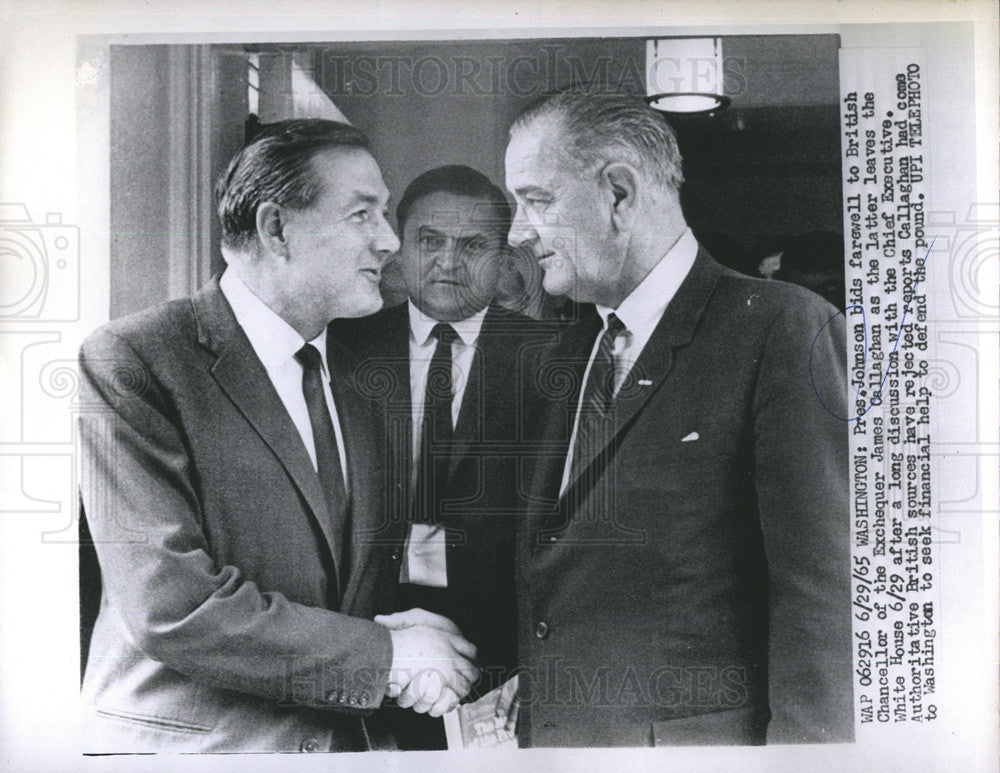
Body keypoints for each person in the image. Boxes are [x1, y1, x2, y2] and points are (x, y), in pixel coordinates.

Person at [77, 120, 478, 753]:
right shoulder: (136, 361)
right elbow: (172, 605)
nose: (389, 242)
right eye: (362, 215)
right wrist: (387, 655)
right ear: (275, 228)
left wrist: (420, 630)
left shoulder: (368, 370)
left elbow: (365, 565)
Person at [501, 88, 852, 746]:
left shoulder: (784, 331)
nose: (518, 232)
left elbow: (824, 612)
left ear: (619, 194)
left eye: (536, 200)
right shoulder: (565, 352)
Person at [332, 165, 544, 749]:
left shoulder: (557, 359)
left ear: (504, 256)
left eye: (473, 246)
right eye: (430, 241)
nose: (449, 262)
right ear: (400, 245)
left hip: (503, 648)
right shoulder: (341, 347)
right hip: (367, 632)